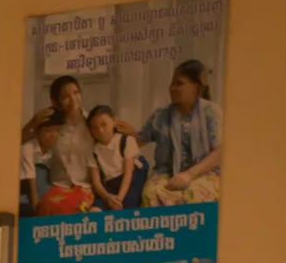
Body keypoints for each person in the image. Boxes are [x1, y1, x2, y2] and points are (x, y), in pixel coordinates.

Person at [137, 57, 221, 204]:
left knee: (197, 195)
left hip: (203, 173)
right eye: (172, 84)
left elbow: (220, 152)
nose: (172, 88)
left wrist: (189, 174)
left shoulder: (212, 112)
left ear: (196, 87)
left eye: (179, 84)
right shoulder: (160, 116)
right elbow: (136, 142)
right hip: (166, 174)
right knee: (151, 193)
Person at [85, 104, 146, 209]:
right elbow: (96, 182)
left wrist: (119, 199)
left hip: (130, 182)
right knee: (95, 209)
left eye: (104, 124)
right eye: (95, 128)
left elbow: (128, 174)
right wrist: (107, 197)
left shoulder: (126, 141)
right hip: (109, 187)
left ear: (113, 122)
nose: (100, 130)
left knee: (128, 206)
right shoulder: (93, 151)